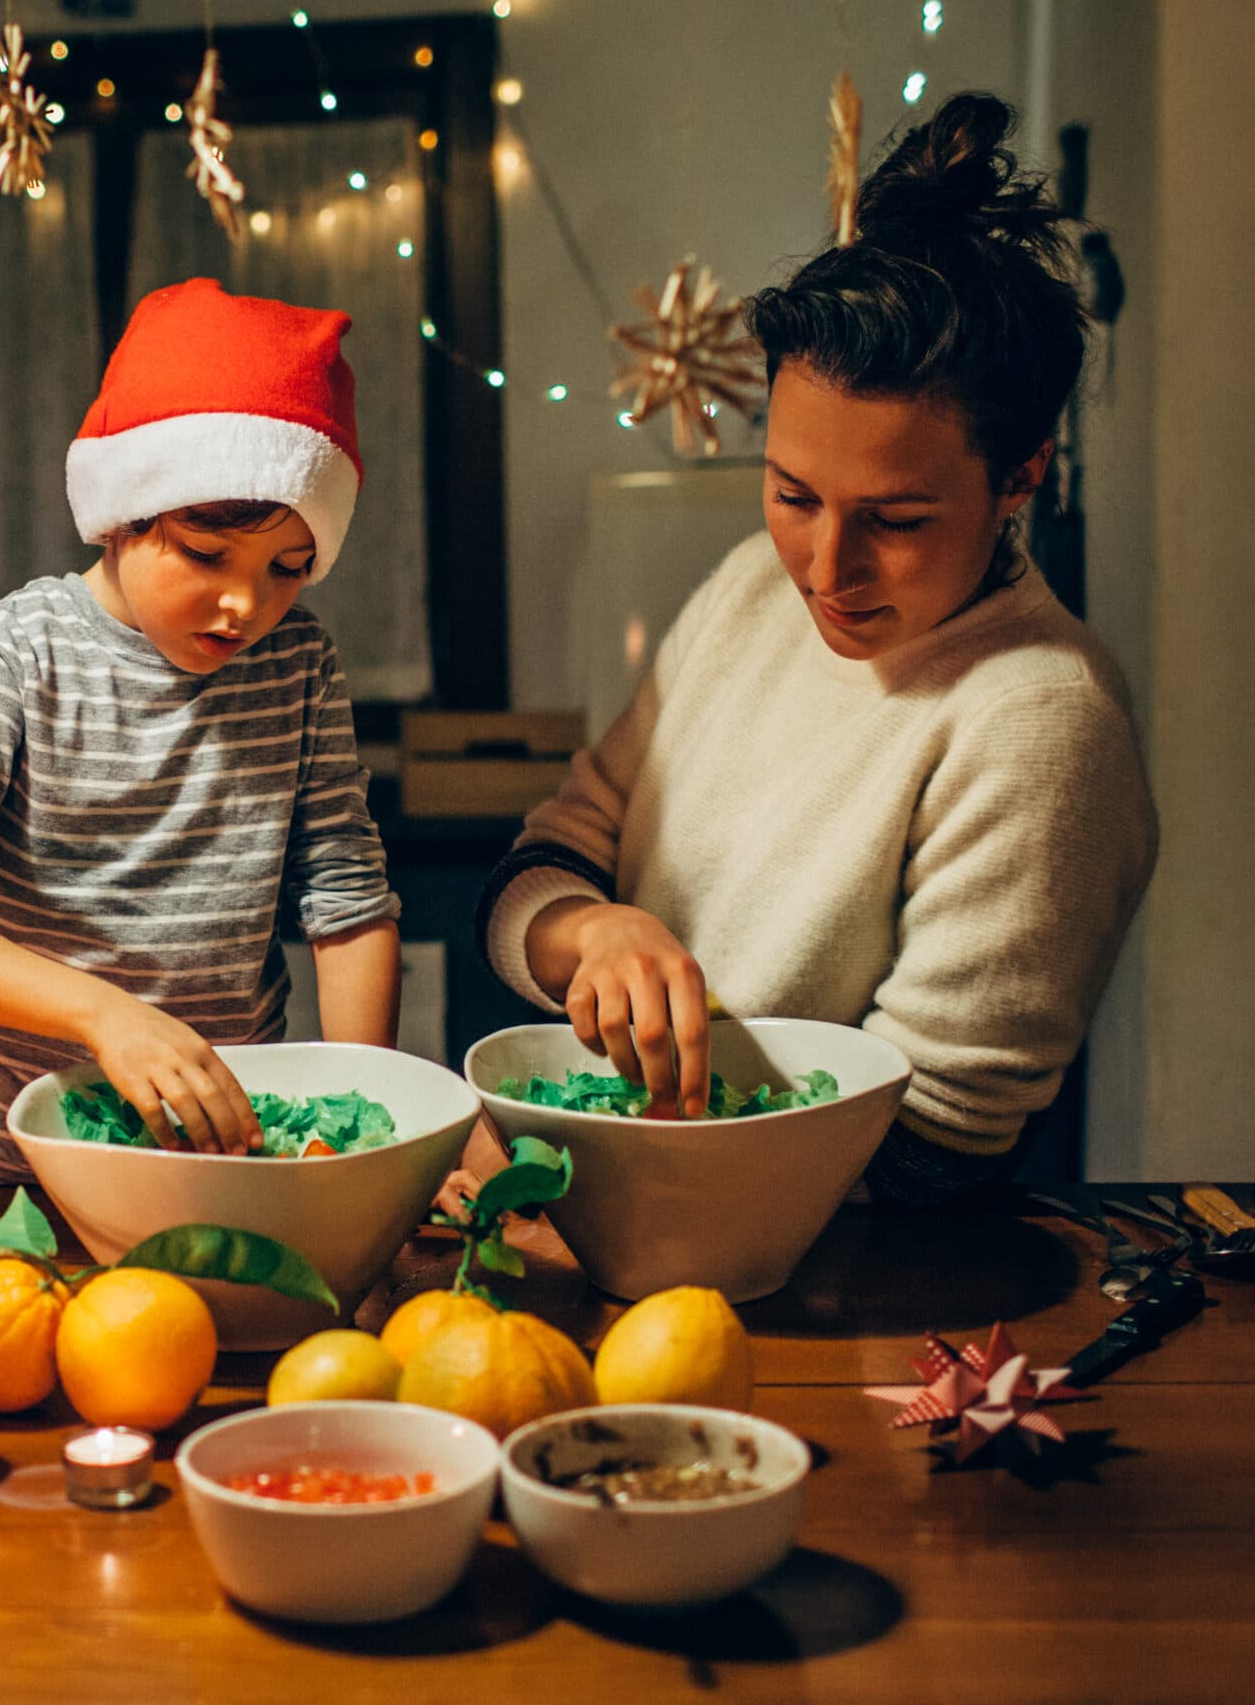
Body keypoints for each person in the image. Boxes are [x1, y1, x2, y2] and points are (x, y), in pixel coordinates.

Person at [474, 93, 1156, 1206]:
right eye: (792, 493)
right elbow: (549, 857)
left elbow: (936, 1145)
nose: (823, 569)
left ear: (1020, 475)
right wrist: (590, 932)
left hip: (825, 1279)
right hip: (624, 1208)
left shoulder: (1038, 716)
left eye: (895, 520)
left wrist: (590, 1177)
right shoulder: (752, 585)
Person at [0, 279, 402, 1184]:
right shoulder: (17, 652)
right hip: (26, 1163)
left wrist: (381, 1111)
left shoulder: (298, 664)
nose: (246, 604)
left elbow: (345, 897)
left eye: (288, 568)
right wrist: (104, 1015)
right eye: (207, 554)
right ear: (122, 515)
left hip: (236, 1153)